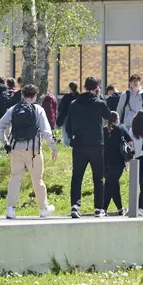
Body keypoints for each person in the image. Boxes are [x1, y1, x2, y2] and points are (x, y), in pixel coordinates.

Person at [0, 82, 57, 219]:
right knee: (37, 179)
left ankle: (10, 209)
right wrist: (53, 148)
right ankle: (43, 208)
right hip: (34, 150)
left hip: (15, 148)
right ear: (35, 96)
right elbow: (46, 132)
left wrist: (5, 143)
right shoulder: (38, 110)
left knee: (15, 178)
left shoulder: (13, 109)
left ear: (22, 95)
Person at [58, 76, 114, 218]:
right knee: (98, 177)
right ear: (96, 88)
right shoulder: (99, 103)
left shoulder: (74, 103)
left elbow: (69, 125)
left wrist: (73, 137)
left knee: (77, 176)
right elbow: (109, 116)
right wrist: (100, 96)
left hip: (79, 145)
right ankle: (98, 208)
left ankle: (75, 206)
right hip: (96, 145)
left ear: (83, 87)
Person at [57, 80, 80, 147]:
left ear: (70, 88)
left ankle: (66, 144)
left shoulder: (66, 97)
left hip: (66, 116)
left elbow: (60, 108)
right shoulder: (79, 97)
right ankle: (74, 143)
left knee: (65, 130)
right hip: (76, 117)